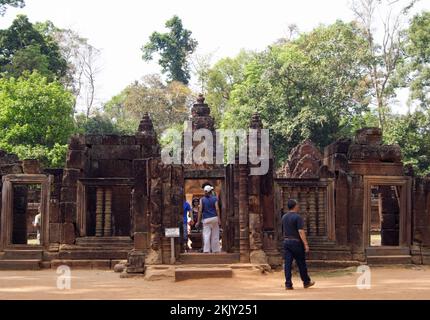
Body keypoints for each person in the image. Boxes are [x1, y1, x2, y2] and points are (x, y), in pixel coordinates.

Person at [282, 199, 315, 290]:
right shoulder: (297, 217)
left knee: (287, 264)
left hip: (286, 242)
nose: (299, 206)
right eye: (298, 205)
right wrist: (306, 244)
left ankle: (288, 284)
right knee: (301, 263)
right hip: (296, 242)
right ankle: (306, 282)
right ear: (295, 206)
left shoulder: (284, 217)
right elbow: (300, 231)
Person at [196, 185, 221, 253]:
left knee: (206, 235)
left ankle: (206, 250)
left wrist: (198, 221)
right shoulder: (215, 198)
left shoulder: (202, 199)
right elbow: (217, 209)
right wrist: (219, 219)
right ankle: (215, 250)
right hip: (214, 218)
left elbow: (200, 210)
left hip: (206, 219)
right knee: (215, 234)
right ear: (211, 191)